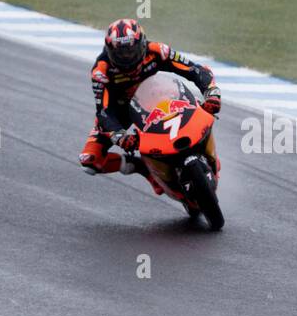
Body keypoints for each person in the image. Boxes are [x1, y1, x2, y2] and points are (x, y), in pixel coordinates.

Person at [80, 19, 221, 191]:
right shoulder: (101, 72)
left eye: (131, 51)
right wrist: (120, 136)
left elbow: (196, 70)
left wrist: (211, 92)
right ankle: (144, 169)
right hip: (120, 112)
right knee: (90, 161)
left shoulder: (157, 51)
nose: (126, 57)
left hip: (157, 96)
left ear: (141, 44)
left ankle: (209, 153)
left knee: (201, 108)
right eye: (120, 53)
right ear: (109, 51)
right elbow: (103, 112)